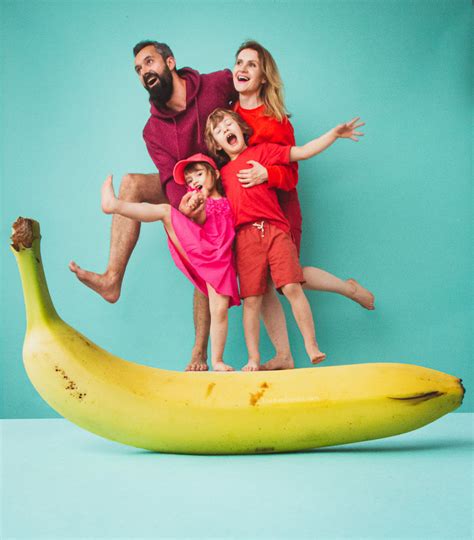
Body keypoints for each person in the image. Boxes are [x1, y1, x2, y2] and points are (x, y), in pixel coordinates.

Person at [69, 41, 236, 371]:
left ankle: (200, 353)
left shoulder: (217, 84)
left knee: (207, 262)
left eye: (149, 62)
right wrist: (186, 207)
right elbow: (169, 180)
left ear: (170, 62)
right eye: (138, 69)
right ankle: (112, 278)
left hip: (226, 185)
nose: (144, 71)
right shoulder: (153, 130)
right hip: (187, 191)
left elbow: (250, 92)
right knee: (131, 183)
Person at [230, 40, 375, 370]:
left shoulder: (276, 121)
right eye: (239, 62)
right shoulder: (229, 116)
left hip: (279, 208)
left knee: (287, 277)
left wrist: (267, 174)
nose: (242, 68)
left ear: (263, 77)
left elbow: (292, 174)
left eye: (251, 64)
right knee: (262, 281)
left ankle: (346, 288)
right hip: (249, 215)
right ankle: (283, 356)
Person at [204, 108, 365, 370]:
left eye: (228, 124)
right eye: (219, 131)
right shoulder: (221, 176)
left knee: (292, 286)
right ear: (217, 144)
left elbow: (301, 152)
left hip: (275, 230)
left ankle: (311, 344)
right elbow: (206, 200)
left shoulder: (263, 152)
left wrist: (334, 135)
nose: (225, 130)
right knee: (252, 301)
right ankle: (254, 358)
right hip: (245, 239)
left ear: (240, 128)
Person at [100, 154, 239, 372]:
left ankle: (217, 361)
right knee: (165, 211)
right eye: (190, 181)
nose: (194, 182)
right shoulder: (201, 202)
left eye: (199, 175)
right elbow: (201, 222)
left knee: (219, 310)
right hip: (202, 248)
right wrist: (195, 208)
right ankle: (115, 205)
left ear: (216, 174)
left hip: (220, 261)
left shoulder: (230, 198)